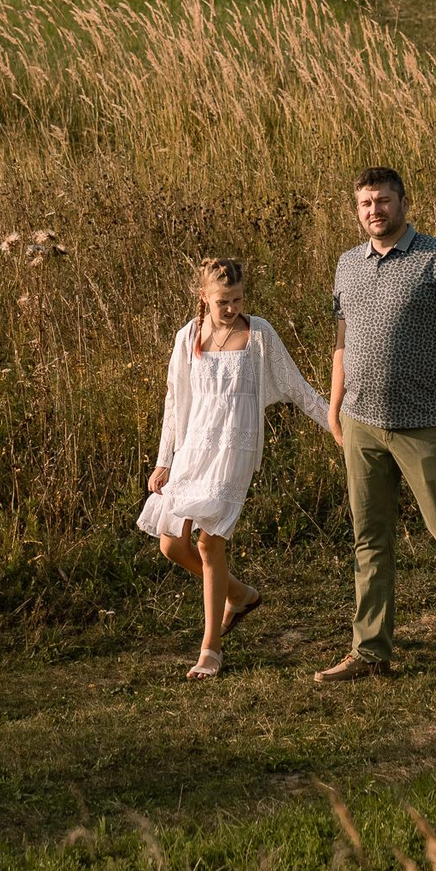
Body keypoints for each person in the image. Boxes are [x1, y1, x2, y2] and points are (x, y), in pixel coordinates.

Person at [315, 166, 436, 683]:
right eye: (365, 203)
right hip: (361, 422)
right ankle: (370, 651)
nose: (375, 211)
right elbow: (342, 341)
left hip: (425, 422)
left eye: (383, 200)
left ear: (404, 203)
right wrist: (334, 405)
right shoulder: (347, 264)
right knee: (369, 538)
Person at [139, 258, 330, 680]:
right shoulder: (188, 337)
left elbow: (296, 386)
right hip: (193, 448)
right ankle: (240, 594)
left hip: (234, 448)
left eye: (238, 300)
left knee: (210, 543)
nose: (231, 308)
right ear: (203, 297)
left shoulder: (259, 333)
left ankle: (210, 649)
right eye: (223, 301)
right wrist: (164, 460)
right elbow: (175, 401)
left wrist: (335, 424)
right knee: (171, 545)